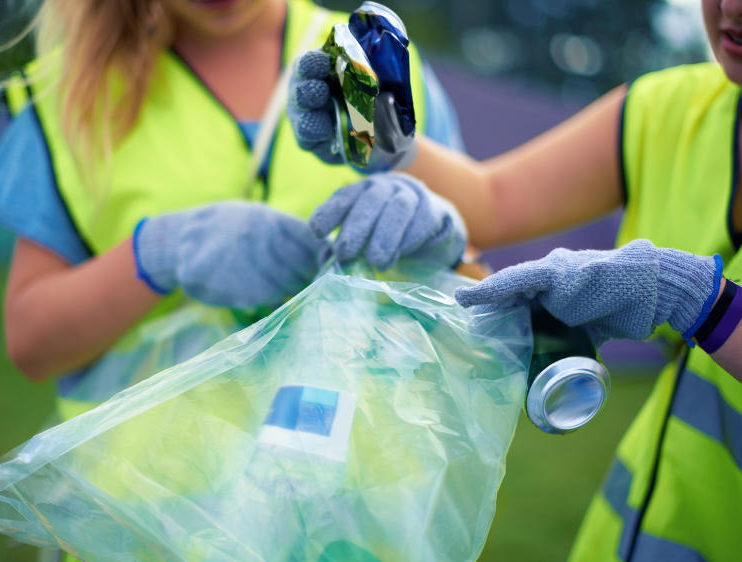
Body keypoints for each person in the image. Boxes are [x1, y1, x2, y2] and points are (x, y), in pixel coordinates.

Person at [287, 0, 742, 559]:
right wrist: (379, 140)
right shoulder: (673, 108)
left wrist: (704, 304)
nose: (731, 8)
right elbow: (492, 201)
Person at [0, 0, 468, 424]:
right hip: (144, 516)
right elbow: (33, 344)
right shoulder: (69, 97)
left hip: (354, 511)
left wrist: (439, 243)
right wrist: (160, 253)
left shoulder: (379, 61)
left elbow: (474, 289)